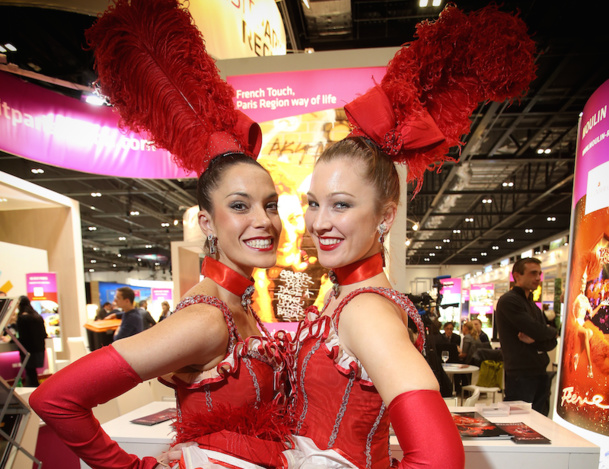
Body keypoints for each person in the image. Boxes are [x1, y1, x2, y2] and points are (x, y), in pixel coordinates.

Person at [29, 1, 288, 467]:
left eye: (270, 205)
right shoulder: (206, 320)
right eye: (239, 206)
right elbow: (56, 399)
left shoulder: (237, 304)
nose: (263, 221)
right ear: (207, 224)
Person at [286, 4, 535, 465]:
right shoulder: (348, 296)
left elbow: (441, 458)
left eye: (341, 204)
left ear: (386, 216)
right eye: (313, 203)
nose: (319, 222)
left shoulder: (365, 312)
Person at [495, 258, 558, 416]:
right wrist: (545, 333)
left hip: (540, 372)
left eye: (539, 274)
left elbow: (550, 340)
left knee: (540, 425)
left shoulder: (532, 305)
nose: (538, 278)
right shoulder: (509, 301)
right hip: (520, 375)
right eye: (533, 273)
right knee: (519, 427)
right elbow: (539, 331)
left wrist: (539, 338)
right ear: (517, 276)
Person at [15, 295, 48, 387]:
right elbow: (44, 334)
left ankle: (32, 389)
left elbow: (22, 335)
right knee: (32, 373)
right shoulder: (37, 316)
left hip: (27, 349)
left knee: (30, 372)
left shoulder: (22, 318)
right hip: (39, 348)